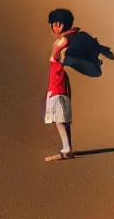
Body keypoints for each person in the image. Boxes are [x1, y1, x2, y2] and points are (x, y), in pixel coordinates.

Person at [44, 8, 79, 161]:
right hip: (57, 80)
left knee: (59, 118)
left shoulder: (64, 41)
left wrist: (56, 52)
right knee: (62, 117)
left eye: (59, 24)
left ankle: (66, 149)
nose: (56, 27)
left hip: (58, 80)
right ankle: (67, 148)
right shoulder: (65, 39)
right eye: (54, 24)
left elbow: (58, 60)